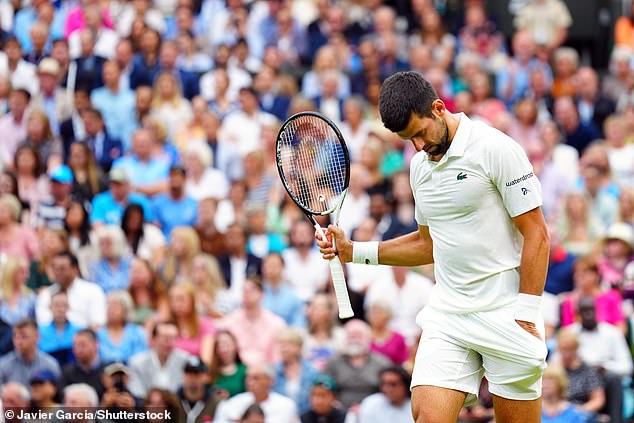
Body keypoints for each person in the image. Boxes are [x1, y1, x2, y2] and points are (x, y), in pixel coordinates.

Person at [317, 71, 550, 422]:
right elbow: (428, 243)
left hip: (506, 311)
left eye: (421, 133)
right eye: (408, 140)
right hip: (449, 315)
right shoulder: (419, 168)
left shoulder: (497, 149)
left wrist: (527, 313)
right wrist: (353, 251)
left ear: (439, 108)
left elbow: (537, 234)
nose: (419, 147)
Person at [214, 362, 298, 423]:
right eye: (248, 378)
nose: (250, 382)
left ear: (271, 380)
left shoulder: (286, 405)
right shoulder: (233, 403)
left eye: (256, 378)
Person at [128, 320, 194, 398]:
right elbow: (137, 393)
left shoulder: (186, 360)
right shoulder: (137, 362)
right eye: (165, 338)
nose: (170, 343)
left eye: (173, 338)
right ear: (153, 339)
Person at [0, 318, 61, 386]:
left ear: (37, 336)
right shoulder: (4, 365)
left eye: (24, 336)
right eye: (15, 336)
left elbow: (56, 392)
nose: (18, 342)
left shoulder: (50, 364)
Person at [57, 329, 106, 398]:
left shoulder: (107, 372)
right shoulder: (67, 372)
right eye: (75, 345)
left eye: (82, 345)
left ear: (96, 344)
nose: (78, 350)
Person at [176, 357, 221, 422]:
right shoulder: (172, 401)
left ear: (206, 377)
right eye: (189, 374)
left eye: (197, 374)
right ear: (183, 376)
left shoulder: (217, 404)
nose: (193, 378)